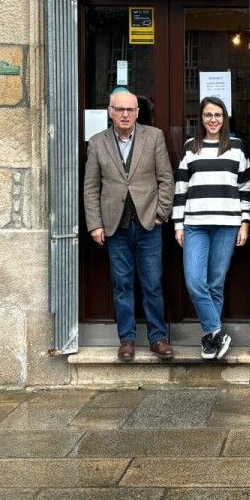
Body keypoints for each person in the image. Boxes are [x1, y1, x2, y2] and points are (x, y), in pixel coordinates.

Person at [83, 88, 175, 362]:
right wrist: (94, 224)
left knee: (152, 284)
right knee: (121, 284)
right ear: (110, 112)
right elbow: (91, 187)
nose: (125, 114)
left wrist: (161, 214)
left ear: (137, 112)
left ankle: (158, 338)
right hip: (114, 227)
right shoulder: (97, 142)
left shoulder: (154, 137)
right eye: (120, 109)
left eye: (130, 109)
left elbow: (166, 179)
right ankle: (127, 340)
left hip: (149, 224)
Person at [173, 96, 250, 361]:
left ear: (224, 118)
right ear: (201, 118)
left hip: (227, 224)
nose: (213, 120)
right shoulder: (190, 147)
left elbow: (245, 188)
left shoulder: (237, 146)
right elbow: (181, 189)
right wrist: (178, 224)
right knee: (195, 282)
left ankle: (210, 343)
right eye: (208, 115)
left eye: (218, 115)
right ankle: (216, 332)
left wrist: (245, 222)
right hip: (195, 224)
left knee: (216, 283)